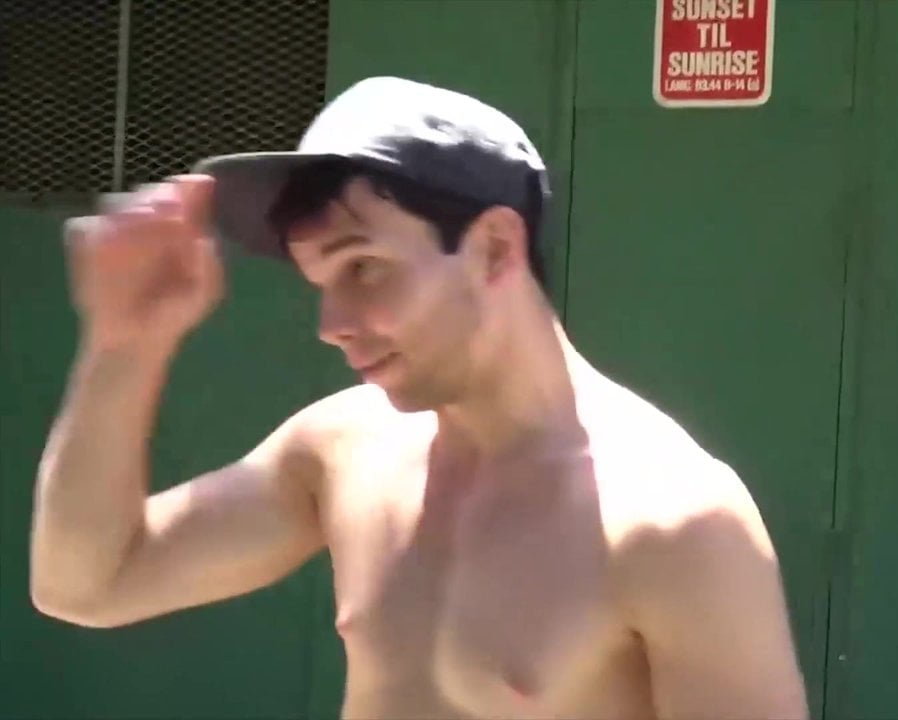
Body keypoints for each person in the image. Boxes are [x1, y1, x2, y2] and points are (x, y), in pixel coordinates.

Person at [29, 76, 808, 719]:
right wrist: (123, 347)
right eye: (321, 283)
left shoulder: (674, 521)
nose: (332, 324)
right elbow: (88, 585)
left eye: (363, 268)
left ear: (494, 248)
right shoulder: (343, 452)